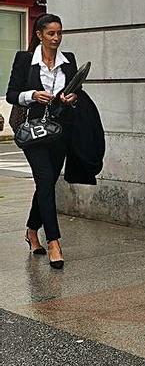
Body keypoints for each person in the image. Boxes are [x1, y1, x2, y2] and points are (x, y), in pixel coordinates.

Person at [6, 14, 105, 269]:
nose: (56, 38)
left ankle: (31, 230)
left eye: (59, 33)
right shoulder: (25, 60)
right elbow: (11, 95)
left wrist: (70, 99)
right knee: (44, 180)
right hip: (33, 132)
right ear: (40, 34)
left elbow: (75, 90)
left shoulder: (68, 60)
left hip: (60, 131)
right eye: (51, 33)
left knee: (47, 182)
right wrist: (32, 95)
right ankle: (53, 241)